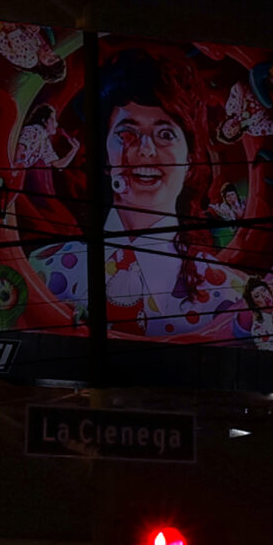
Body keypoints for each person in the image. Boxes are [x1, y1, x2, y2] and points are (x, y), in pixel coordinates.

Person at [101, 49, 242, 342]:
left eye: (165, 134)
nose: (147, 150)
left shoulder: (229, 298)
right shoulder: (45, 273)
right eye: (127, 132)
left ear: (190, 160)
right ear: (105, 155)